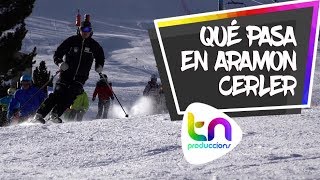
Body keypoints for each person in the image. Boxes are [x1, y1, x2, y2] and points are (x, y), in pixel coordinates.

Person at [33, 19, 105, 124]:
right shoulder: (72, 41)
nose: (85, 32)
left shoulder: (94, 45)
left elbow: (100, 57)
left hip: (81, 77)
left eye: (88, 29)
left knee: (70, 96)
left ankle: (55, 114)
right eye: (83, 29)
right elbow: (57, 53)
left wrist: (99, 66)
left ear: (91, 31)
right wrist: (60, 63)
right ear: (79, 29)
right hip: (66, 74)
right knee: (58, 93)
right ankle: (39, 114)